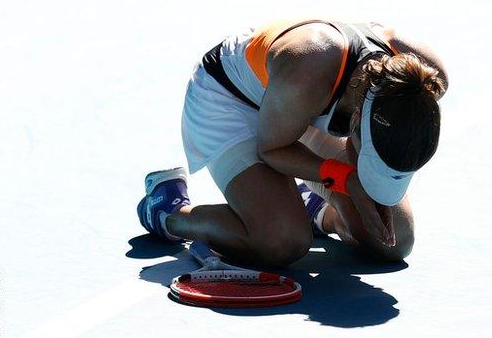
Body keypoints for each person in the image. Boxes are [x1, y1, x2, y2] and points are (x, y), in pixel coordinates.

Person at [137, 19, 448, 267]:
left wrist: (356, 182)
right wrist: (345, 179)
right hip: (230, 102)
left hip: (302, 108)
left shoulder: (425, 80)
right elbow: (272, 149)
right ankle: (170, 211)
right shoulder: (308, 70)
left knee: (395, 241)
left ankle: (314, 211)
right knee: (282, 242)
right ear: (354, 122)